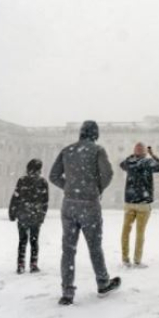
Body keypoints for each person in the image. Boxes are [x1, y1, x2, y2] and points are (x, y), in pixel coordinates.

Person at [50, 120, 121, 306]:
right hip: (89, 204)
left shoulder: (67, 150)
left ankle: (67, 292)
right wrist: (95, 189)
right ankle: (103, 282)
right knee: (95, 247)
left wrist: (69, 188)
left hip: (69, 205)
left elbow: (53, 176)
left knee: (68, 250)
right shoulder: (97, 150)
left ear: (81, 133)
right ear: (95, 134)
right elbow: (108, 174)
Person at [120, 143, 159, 268]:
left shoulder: (130, 163)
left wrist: (133, 155)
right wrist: (152, 155)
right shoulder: (147, 162)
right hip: (143, 203)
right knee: (139, 234)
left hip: (130, 202)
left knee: (126, 232)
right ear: (145, 152)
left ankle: (125, 259)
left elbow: (122, 164)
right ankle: (137, 260)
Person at [9, 159, 49, 274]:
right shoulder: (43, 182)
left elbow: (15, 197)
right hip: (35, 215)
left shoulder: (22, 181)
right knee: (34, 241)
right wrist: (42, 215)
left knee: (22, 241)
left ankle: (21, 264)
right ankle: (33, 264)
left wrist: (12, 213)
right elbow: (45, 201)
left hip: (23, 214)